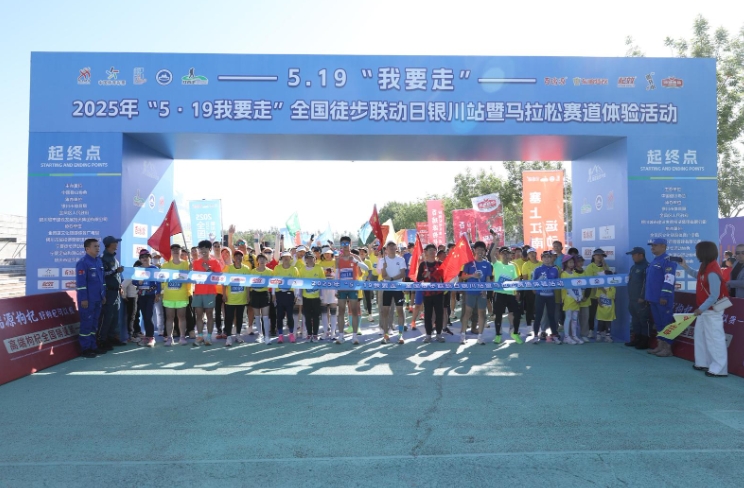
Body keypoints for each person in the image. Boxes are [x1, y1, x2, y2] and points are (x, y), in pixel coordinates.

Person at [679, 241, 729, 377]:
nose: (696, 254)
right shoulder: (706, 266)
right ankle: (703, 362)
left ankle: (719, 369)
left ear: (703, 252)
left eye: (697, 251)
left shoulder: (712, 271)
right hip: (706, 310)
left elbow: (714, 295)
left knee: (714, 339)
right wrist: (685, 267)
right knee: (700, 335)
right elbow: (698, 276)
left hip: (712, 310)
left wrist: (700, 309)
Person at [645, 238, 678, 358]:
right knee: (658, 323)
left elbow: (669, 279)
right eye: (651, 245)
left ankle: (667, 348)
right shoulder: (655, 260)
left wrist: (664, 295)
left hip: (663, 299)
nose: (652, 247)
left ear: (663, 246)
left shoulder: (668, 261)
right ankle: (660, 346)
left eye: (655, 245)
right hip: (653, 298)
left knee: (666, 323)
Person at [75, 238, 106, 358]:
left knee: (94, 324)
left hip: (98, 298)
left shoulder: (98, 261)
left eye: (98, 246)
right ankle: (85, 348)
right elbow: (81, 283)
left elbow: (102, 281)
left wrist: (103, 295)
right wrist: (83, 299)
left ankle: (93, 346)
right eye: (95, 246)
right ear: (87, 249)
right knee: (86, 324)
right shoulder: (83, 263)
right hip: (88, 300)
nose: (98, 248)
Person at [335, 236, 369, 345]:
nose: (345, 246)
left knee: (354, 311)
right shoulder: (338, 259)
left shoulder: (355, 257)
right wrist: (336, 289)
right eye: (343, 244)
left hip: (353, 288)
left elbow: (366, 268)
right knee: (341, 311)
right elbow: (336, 275)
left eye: (347, 244)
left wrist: (355, 261)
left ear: (350, 244)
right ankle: (341, 336)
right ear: (341, 245)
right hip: (342, 288)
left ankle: (354, 336)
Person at [459, 241, 493, 345]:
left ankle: (480, 337)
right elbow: (462, 276)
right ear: (474, 250)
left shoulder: (487, 264)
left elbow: (488, 278)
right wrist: (472, 275)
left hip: (481, 293)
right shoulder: (469, 263)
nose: (480, 252)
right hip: (470, 292)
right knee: (467, 313)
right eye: (478, 249)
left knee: (481, 314)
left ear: (484, 252)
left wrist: (485, 289)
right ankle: (463, 335)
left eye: (482, 250)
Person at [192, 240, 223, 346]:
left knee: (209, 314)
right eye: (201, 248)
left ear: (210, 249)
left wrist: (208, 269)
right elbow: (193, 278)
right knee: (199, 315)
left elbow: (218, 278)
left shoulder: (215, 262)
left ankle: (209, 337)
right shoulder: (195, 262)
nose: (203, 250)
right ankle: (200, 336)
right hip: (198, 292)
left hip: (210, 292)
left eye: (205, 248)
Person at [377, 241, 408, 344]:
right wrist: (384, 268)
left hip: (398, 288)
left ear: (396, 248)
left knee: (400, 311)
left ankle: (400, 335)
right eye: (389, 246)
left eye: (393, 246)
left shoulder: (401, 259)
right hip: (387, 288)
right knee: (385, 311)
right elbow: (383, 275)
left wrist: (392, 279)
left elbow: (402, 274)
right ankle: (386, 335)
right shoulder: (382, 260)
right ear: (386, 249)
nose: (391, 248)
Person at [161, 244, 191, 346]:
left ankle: (182, 337)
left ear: (180, 251)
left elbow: (189, 278)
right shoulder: (165, 265)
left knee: (182, 317)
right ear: (171, 252)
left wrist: (191, 270)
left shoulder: (186, 264)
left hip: (181, 296)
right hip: (169, 296)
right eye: (173, 249)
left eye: (177, 249)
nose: (175, 251)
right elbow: (162, 280)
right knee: (169, 317)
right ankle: (170, 338)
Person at [492, 246, 523, 344]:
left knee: (517, 314)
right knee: (498, 315)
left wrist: (517, 292)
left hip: (510, 294)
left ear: (510, 255)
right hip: (499, 294)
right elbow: (490, 255)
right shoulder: (497, 264)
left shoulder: (512, 266)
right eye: (503, 253)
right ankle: (498, 335)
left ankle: (515, 333)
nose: (505, 255)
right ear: (500, 255)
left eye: (507, 253)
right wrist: (495, 243)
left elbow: (516, 279)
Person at [99, 236, 126, 349]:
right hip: (108, 292)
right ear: (109, 244)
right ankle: (102, 340)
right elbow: (103, 275)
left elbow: (118, 275)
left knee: (115, 317)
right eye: (115, 242)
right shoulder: (102, 258)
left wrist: (120, 286)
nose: (117, 244)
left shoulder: (115, 259)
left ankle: (111, 338)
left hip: (116, 292)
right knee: (107, 317)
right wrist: (115, 271)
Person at [131, 249, 161, 347]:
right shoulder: (138, 269)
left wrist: (158, 294)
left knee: (148, 316)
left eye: (146, 257)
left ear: (150, 258)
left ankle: (151, 337)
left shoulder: (154, 268)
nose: (144, 259)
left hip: (151, 294)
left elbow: (158, 282)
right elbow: (133, 281)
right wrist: (137, 282)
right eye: (142, 257)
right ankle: (147, 336)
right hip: (141, 295)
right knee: (144, 316)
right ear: (140, 259)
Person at [416, 244, 445, 343]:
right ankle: (428, 335)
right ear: (426, 252)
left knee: (439, 314)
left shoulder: (440, 264)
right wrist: (424, 276)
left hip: (438, 293)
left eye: (434, 250)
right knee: (427, 315)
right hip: (427, 294)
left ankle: (439, 334)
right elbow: (418, 279)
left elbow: (445, 277)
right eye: (430, 250)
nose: (432, 252)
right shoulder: (423, 265)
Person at [625, 247, 652, 349]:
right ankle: (637, 338)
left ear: (641, 255)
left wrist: (642, 297)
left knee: (643, 320)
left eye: (634, 255)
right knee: (635, 319)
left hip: (641, 300)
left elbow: (647, 283)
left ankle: (645, 341)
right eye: (632, 255)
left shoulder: (647, 267)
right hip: (632, 298)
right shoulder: (633, 267)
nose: (632, 257)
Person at [531, 251, 561, 344]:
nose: (547, 259)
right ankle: (535, 336)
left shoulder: (555, 270)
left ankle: (554, 335)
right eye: (545, 257)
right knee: (538, 316)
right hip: (540, 296)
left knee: (551, 316)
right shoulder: (537, 269)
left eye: (549, 257)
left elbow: (558, 283)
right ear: (542, 258)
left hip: (550, 296)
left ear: (551, 258)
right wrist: (538, 288)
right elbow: (533, 283)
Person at [224, 250, 251, 347]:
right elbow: (224, 282)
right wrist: (224, 294)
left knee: (240, 317)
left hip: (241, 298)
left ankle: (238, 335)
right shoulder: (229, 268)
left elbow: (248, 283)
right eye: (236, 256)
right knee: (229, 318)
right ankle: (228, 336)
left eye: (240, 256)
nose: (238, 258)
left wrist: (248, 295)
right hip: (230, 299)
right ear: (234, 258)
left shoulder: (246, 269)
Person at [272, 251, 300, 343]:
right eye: (284, 257)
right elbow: (274, 281)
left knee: (290, 316)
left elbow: (297, 283)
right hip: (279, 294)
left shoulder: (294, 269)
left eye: (288, 257)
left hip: (290, 295)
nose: (286, 258)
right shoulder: (277, 268)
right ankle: (280, 335)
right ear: (282, 258)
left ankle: (291, 334)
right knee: (279, 316)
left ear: (290, 258)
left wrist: (296, 295)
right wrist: (273, 294)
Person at [299, 252, 324, 342]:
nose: (310, 259)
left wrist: (321, 295)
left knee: (316, 316)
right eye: (308, 258)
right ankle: (309, 334)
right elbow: (300, 283)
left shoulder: (319, 268)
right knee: (307, 316)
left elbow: (322, 282)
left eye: (311, 258)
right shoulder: (302, 269)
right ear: (305, 259)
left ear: (314, 259)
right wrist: (299, 295)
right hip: (306, 297)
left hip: (316, 297)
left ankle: (315, 335)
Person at [585, 249, 609, 340]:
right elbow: (589, 281)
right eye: (597, 255)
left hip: (603, 295)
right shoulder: (590, 267)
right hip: (593, 295)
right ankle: (590, 330)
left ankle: (602, 331)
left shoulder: (605, 266)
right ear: (593, 256)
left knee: (603, 314)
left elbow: (608, 278)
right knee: (592, 314)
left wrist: (604, 265)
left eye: (601, 255)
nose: (599, 257)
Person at [250, 253, 274, 344]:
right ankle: (260, 335)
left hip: (265, 294)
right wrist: (248, 295)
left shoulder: (270, 272)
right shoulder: (253, 271)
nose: (262, 260)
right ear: (257, 261)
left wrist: (273, 295)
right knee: (257, 316)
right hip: (255, 294)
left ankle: (267, 336)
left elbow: (274, 284)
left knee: (265, 316)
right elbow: (249, 284)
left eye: (263, 259)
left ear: (266, 260)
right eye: (260, 258)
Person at [520, 248, 540, 330]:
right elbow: (525, 278)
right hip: (529, 289)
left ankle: (539, 323)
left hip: (540, 289)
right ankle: (528, 323)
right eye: (530, 253)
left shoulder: (541, 264)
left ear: (536, 254)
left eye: (533, 253)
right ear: (528, 255)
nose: (532, 254)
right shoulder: (526, 265)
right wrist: (532, 288)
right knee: (529, 306)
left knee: (539, 307)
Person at [121, 260, 141, 342]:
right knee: (131, 317)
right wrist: (124, 296)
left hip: (136, 297)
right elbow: (123, 285)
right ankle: (131, 335)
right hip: (131, 298)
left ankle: (134, 333)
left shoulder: (139, 276)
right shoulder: (131, 275)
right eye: (138, 267)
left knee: (134, 316)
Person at [595, 272, 616, 342]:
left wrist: (603, 290)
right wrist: (599, 302)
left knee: (608, 323)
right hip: (601, 309)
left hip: (609, 309)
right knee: (600, 322)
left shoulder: (612, 287)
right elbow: (597, 296)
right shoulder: (599, 287)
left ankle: (608, 336)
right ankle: (598, 335)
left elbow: (610, 296)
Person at [320, 267, 339, 340]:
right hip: (324, 291)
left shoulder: (335, 267)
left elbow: (337, 278)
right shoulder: (320, 266)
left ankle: (333, 332)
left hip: (333, 291)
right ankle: (325, 331)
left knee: (333, 312)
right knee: (324, 312)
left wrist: (337, 292)